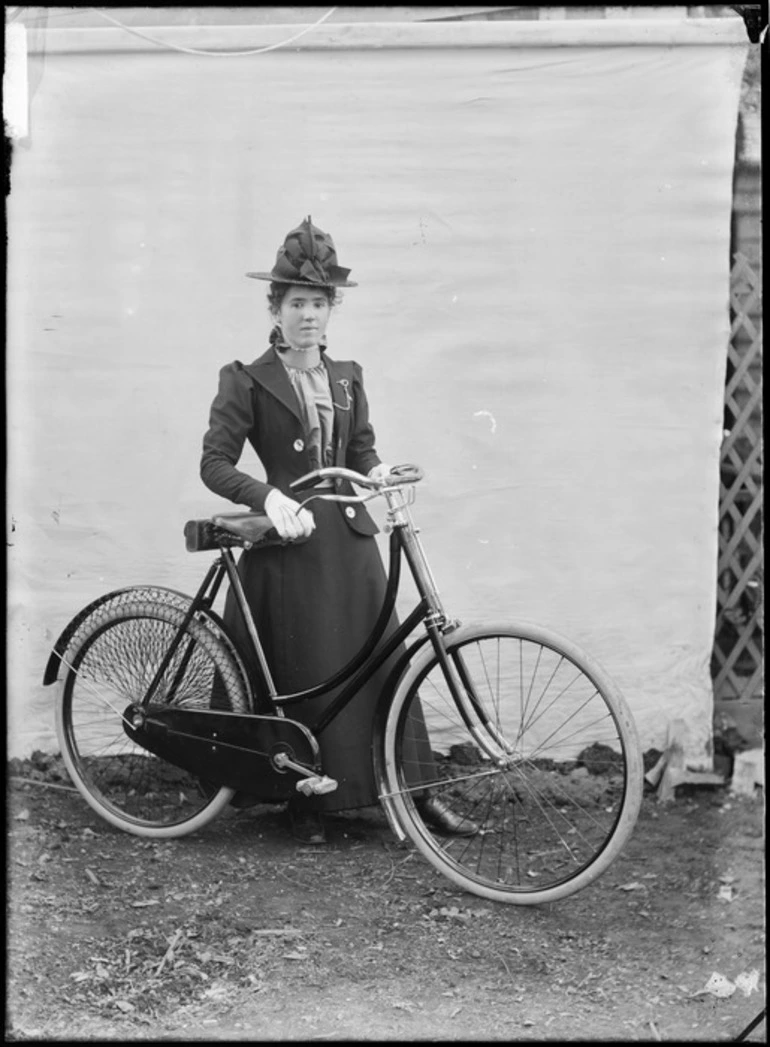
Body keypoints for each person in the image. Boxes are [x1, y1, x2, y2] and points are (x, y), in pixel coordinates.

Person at [200, 216, 477, 844]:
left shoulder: (348, 375)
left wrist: (379, 473)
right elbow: (214, 463)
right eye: (296, 302)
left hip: (350, 545)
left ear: (333, 310)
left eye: (319, 304)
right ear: (275, 307)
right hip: (288, 547)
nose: (308, 316)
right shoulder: (245, 379)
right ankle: (304, 801)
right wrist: (268, 497)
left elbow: (360, 449)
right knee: (301, 669)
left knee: (384, 662)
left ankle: (413, 791)